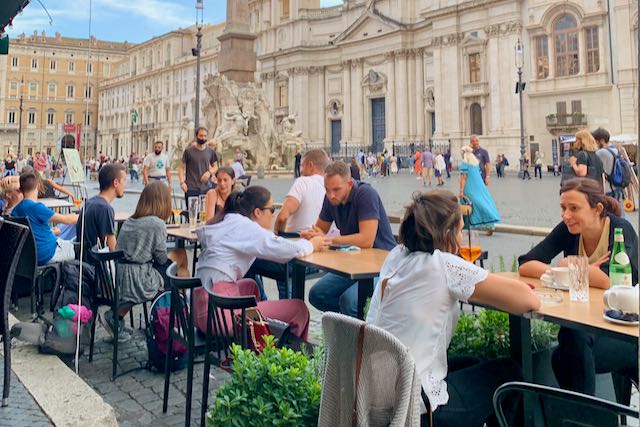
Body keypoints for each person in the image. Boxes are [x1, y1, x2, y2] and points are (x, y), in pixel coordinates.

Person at [367, 190, 540, 426]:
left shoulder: (396, 256)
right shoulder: (443, 265)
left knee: (473, 362)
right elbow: (528, 301)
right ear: (448, 233)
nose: (461, 238)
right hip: (416, 406)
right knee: (510, 372)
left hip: (379, 391)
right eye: (460, 230)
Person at [518, 178, 638, 395]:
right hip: (591, 322)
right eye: (563, 208)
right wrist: (569, 269)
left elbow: (610, 280)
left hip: (627, 331)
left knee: (569, 346)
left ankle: (583, 415)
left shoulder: (620, 230)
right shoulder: (569, 229)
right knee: (567, 344)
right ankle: (583, 416)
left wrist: (569, 265)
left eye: (574, 208)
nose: (566, 215)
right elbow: (526, 263)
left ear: (597, 209)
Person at [194, 186, 329, 341]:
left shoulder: (230, 221)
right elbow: (284, 249)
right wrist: (313, 244)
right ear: (257, 212)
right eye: (271, 210)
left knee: (251, 285)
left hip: (203, 309)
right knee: (299, 309)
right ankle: (286, 356)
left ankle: (256, 340)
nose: (273, 215)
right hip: (220, 316)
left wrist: (301, 241)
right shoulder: (245, 228)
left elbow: (272, 242)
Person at [302, 160, 396, 317]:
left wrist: (327, 239)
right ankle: (350, 325)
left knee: (350, 302)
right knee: (317, 295)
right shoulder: (330, 198)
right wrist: (312, 235)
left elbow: (366, 240)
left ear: (350, 184)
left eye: (336, 189)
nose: (331, 195)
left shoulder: (365, 194)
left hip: (382, 266)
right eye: (327, 189)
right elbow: (320, 230)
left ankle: (362, 333)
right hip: (353, 263)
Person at [105, 182, 189, 341]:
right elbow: (161, 258)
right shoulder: (157, 224)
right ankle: (182, 314)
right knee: (181, 256)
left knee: (174, 263)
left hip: (122, 275)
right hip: (139, 279)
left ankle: (115, 317)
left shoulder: (131, 220)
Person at [252, 149, 329, 299]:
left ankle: (262, 304)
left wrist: (277, 235)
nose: (300, 170)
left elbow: (282, 216)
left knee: (249, 256)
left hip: (296, 258)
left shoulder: (303, 182)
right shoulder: (329, 186)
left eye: (302, 166)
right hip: (322, 257)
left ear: (310, 165)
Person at [11, 172, 78, 265]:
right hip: (48, 253)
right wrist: (82, 215)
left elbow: (33, 230)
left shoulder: (15, 210)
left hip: (29, 255)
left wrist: (50, 231)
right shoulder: (37, 207)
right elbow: (67, 220)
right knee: (79, 248)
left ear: (21, 189)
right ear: (38, 186)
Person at [76, 163, 127, 262]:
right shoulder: (105, 208)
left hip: (83, 261)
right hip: (97, 267)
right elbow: (112, 248)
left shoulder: (90, 202)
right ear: (115, 183)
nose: (125, 185)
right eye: (124, 180)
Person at [459, 146, 500, 228]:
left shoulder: (464, 164)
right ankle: (488, 221)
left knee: (468, 203)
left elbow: (463, 178)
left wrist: (461, 190)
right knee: (481, 201)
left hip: (469, 186)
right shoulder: (475, 164)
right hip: (478, 186)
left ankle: (468, 225)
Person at [178, 127, 218, 206]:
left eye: (205, 136)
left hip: (206, 188)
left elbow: (216, 167)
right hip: (191, 188)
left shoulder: (211, 152)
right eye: (201, 136)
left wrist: (209, 173)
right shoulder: (188, 151)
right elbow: (181, 167)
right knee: (192, 214)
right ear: (196, 136)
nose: (203, 138)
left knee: (205, 215)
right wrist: (182, 182)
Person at [594, 127, 622, 200]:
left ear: (602, 141)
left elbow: (599, 172)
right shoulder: (615, 150)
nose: (595, 144)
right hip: (617, 186)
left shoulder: (601, 152)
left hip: (607, 189)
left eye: (596, 141)